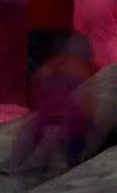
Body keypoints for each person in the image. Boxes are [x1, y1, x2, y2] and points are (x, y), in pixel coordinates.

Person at [14, 32, 96, 174]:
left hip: (58, 108)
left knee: (44, 131)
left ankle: (26, 163)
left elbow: (40, 81)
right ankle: (69, 163)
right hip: (61, 108)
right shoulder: (78, 67)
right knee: (67, 131)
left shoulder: (62, 64)